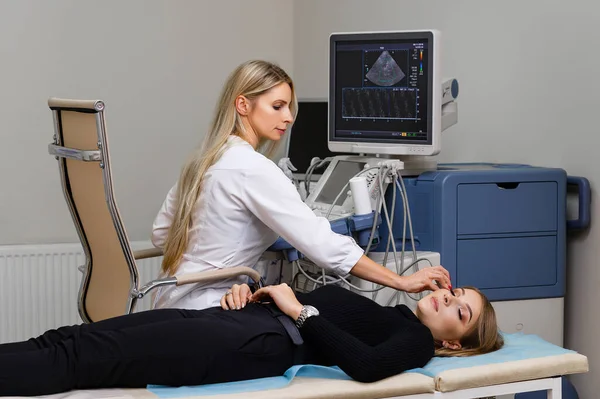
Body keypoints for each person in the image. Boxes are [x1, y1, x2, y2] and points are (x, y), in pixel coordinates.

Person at [151, 59, 452, 310]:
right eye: (278, 106)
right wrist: (401, 280)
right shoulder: (253, 169)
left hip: (168, 302)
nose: (290, 117)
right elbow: (320, 242)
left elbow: (161, 235)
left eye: (289, 107)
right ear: (243, 105)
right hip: (210, 308)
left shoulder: (203, 162)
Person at [0, 282, 503, 397]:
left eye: (460, 311)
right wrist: (257, 290)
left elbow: (367, 366)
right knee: (69, 338)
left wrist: (298, 311)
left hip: (254, 344)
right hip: (239, 321)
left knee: (81, 358)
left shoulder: (415, 341)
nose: (447, 299)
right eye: (455, 292)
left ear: (455, 343)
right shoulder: (393, 309)